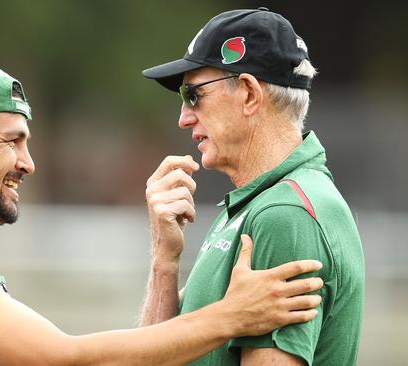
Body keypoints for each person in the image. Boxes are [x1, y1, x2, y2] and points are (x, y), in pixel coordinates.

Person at [0, 57, 324, 365]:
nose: (28, 163)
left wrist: (163, 261)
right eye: (11, 140)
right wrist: (231, 317)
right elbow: (62, 361)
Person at [140, 7, 365, 366]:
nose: (183, 117)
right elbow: (155, 358)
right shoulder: (260, 204)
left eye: (193, 95)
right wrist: (164, 261)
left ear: (248, 93)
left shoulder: (283, 214)